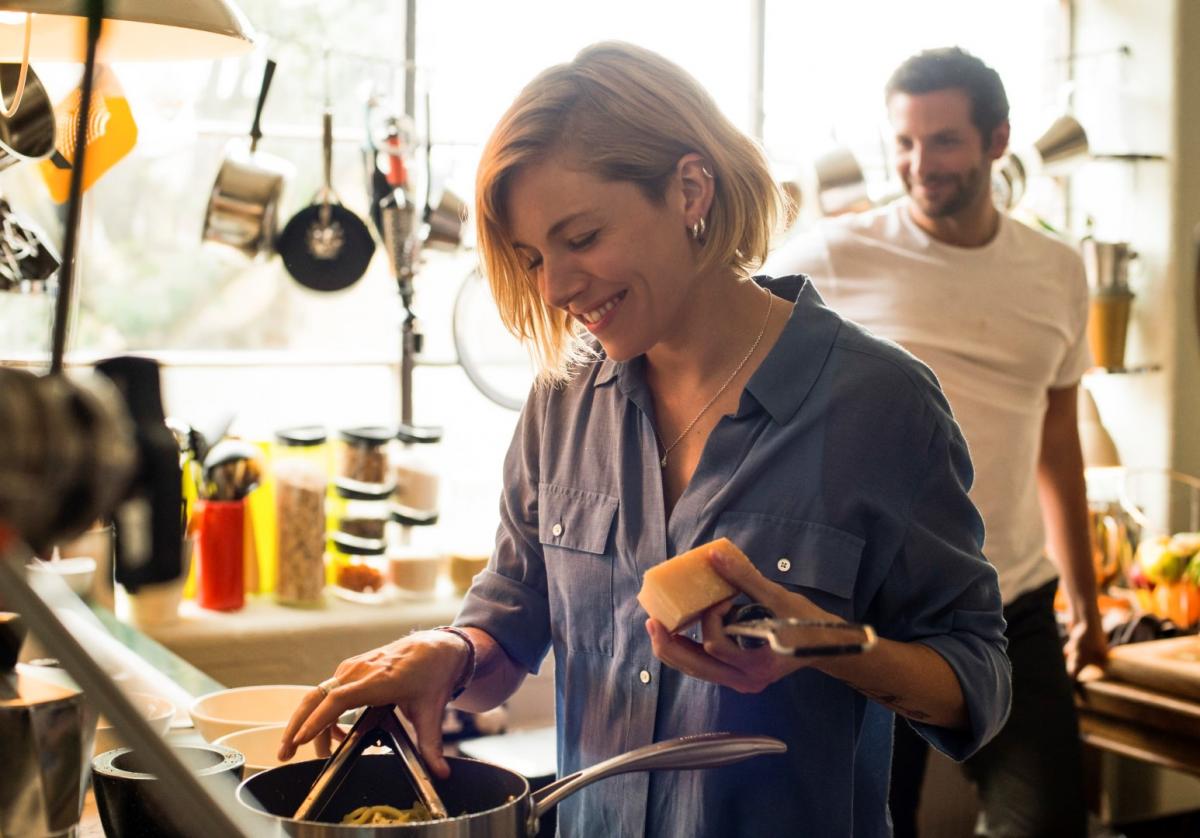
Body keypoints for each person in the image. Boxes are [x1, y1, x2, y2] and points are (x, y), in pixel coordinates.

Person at [280, 42, 1010, 837]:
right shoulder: (563, 399)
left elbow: (979, 685)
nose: (555, 289)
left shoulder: (880, 405)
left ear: (689, 189)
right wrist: (448, 652)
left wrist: (826, 648)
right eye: (531, 258)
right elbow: (512, 619)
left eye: (583, 237)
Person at [766, 46, 1108, 838]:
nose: (921, 164)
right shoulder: (832, 254)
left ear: (997, 140)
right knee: (872, 826)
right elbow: (731, 361)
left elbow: (1059, 440)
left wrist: (1085, 603)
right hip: (874, 609)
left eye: (945, 141)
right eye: (906, 143)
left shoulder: (1057, 269)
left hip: (1013, 606)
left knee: (1048, 821)